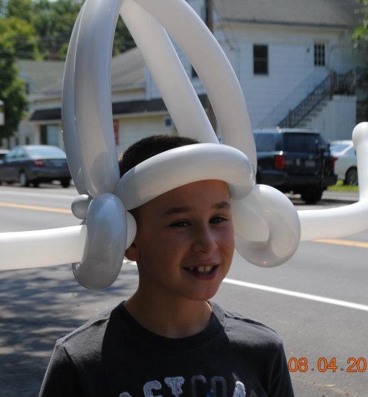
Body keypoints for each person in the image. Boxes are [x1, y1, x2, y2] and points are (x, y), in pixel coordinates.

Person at [39, 135, 294, 397]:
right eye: (181, 223)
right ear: (128, 238)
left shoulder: (263, 352)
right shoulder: (81, 363)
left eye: (218, 219)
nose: (206, 243)